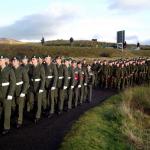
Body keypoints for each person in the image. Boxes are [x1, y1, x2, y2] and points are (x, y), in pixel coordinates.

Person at [11, 57, 29, 128]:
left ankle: (19, 121)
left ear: (18, 62)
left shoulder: (22, 69)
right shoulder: (11, 69)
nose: (13, 62)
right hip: (12, 91)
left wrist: (23, 91)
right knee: (13, 106)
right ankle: (15, 117)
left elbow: (26, 81)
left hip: (20, 90)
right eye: (13, 60)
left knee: (20, 107)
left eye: (15, 61)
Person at [0, 55, 16, 135]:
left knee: (7, 111)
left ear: (4, 61)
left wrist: (10, 94)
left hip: (6, 93)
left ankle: (6, 127)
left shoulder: (9, 70)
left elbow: (13, 83)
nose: (0, 61)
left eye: (1, 60)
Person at [28, 56, 45, 124]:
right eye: (32, 59)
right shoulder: (31, 67)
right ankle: (34, 111)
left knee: (38, 102)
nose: (32, 60)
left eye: (33, 59)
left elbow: (43, 78)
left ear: (37, 60)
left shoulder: (41, 67)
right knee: (31, 101)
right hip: (32, 86)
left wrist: (41, 88)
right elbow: (29, 76)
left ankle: (37, 116)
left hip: (38, 86)